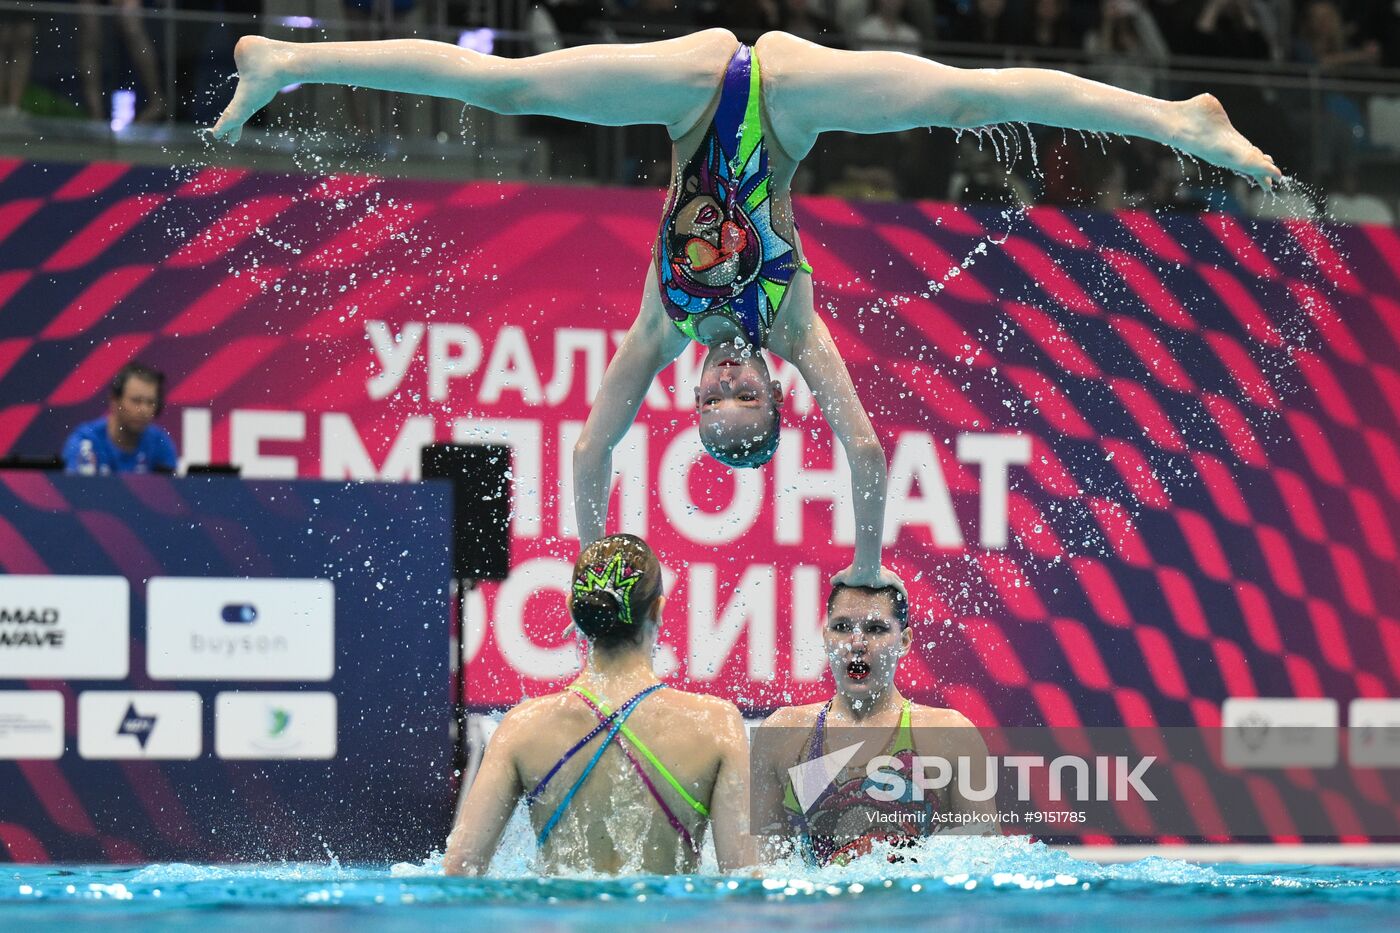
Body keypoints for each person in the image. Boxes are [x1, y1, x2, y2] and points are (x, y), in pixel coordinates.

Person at [209, 28, 1281, 591]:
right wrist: (866, 565)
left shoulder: (663, 321)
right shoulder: (795, 325)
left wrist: (597, 559)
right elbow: (865, 450)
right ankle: (1177, 120)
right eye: (744, 398)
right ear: (772, 392)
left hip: (686, 98)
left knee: (512, 87)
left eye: (712, 399)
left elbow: (590, 450)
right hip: (787, 100)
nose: (726, 380)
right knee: (965, 99)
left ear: (695, 396)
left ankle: (290, 60)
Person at [442, 534, 754, 875]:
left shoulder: (522, 727)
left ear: (572, 610)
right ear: (658, 609)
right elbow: (745, 878)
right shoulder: (716, 724)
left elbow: (459, 868)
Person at [752, 583, 998, 866]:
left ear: (904, 641)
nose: (857, 643)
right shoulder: (782, 735)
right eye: (842, 627)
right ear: (826, 637)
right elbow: (762, 871)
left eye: (876, 629)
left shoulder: (950, 736)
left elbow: (985, 866)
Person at [62, 361, 177, 475]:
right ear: (114, 401)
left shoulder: (160, 444)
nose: (144, 410)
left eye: (150, 402)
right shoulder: (85, 441)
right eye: (136, 400)